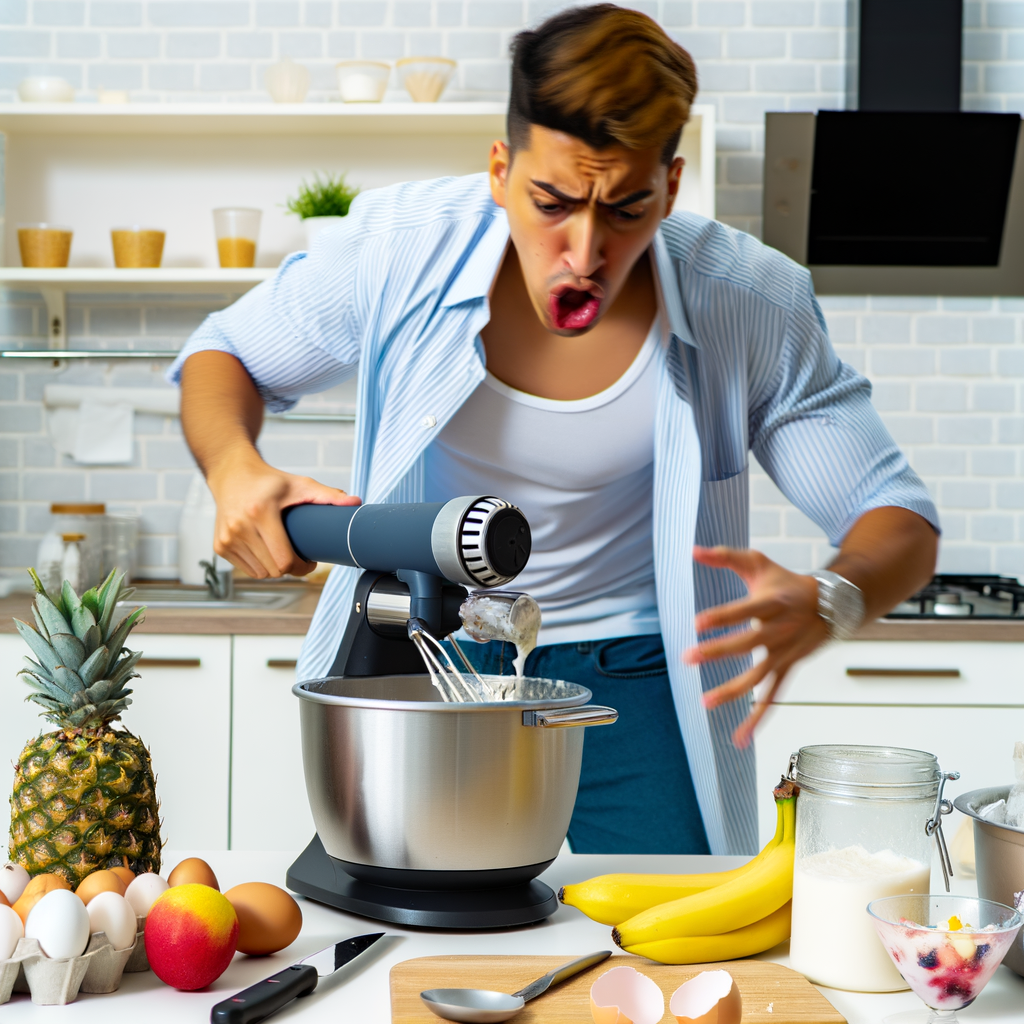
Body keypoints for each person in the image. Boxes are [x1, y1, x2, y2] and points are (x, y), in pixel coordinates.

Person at [171, 4, 938, 857]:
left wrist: (834, 597)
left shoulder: (748, 302)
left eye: (626, 209)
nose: (584, 250)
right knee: (408, 934)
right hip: (431, 654)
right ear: (501, 170)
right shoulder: (399, 250)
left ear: (671, 187)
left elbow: (894, 514)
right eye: (553, 202)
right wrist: (234, 468)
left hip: (636, 678)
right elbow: (224, 355)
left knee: (660, 947)